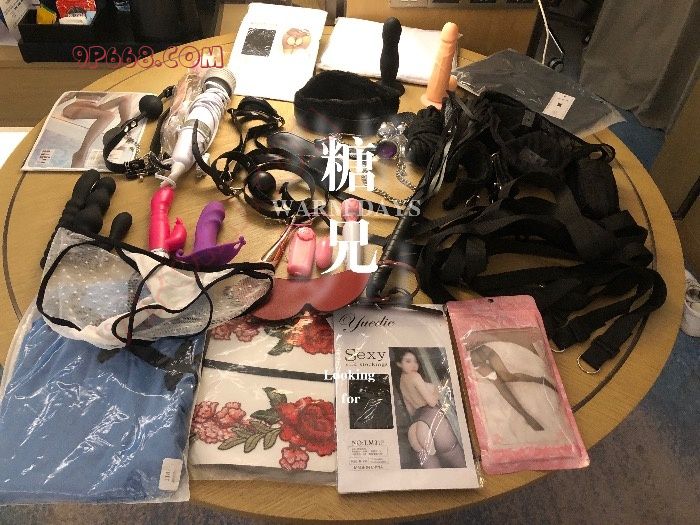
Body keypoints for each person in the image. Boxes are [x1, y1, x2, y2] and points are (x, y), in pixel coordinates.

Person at [395, 349, 466, 469]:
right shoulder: (415, 376)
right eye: (408, 361)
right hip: (432, 417)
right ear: (399, 364)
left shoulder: (402, 381)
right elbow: (432, 402)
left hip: (417, 425)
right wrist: (439, 389)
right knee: (459, 462)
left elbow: (410, 409)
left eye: (415, 361)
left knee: (434, 472)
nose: (414, 365)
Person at [470, 343, 556, 431]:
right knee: (499, 384)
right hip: (473, 360)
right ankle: (526, 415)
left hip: (482, 349)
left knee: (507, 377)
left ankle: (540, 380)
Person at [60, 93, 135, 168]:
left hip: (95, 107)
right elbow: (65, 97)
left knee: (126, 99)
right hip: (75, 107)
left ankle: (124, 129)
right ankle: (82, 152)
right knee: (109, 115)